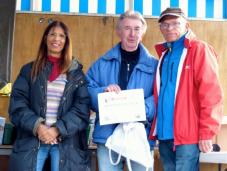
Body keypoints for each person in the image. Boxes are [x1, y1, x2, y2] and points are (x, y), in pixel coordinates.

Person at [8, 20, 90, 171]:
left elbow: (82, 109)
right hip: (33, 140)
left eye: (61, 36)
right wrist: (38, 127)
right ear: (45, 38)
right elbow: (17, 104)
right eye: (52, 34)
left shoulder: (76, 74)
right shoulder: (28, 70)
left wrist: (57, 129)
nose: (56, 39)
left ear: (66, 41)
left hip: (66, 144)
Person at [149, 7, 223, 171]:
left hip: (187, 136)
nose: (170, 28)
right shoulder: (164, 55)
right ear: (160, 28)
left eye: (175, 24)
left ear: (187, 26)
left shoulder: (199, 49)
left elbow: (211, 94)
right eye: (165, 25)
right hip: (165, 134)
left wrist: (207, 132)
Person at [86, 10, 158, 171]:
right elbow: (86, 90)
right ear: (118, 31)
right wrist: (103, 92)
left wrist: (142, 108)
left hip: (141, 135)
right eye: (127, 28)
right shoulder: (101, 63)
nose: (132, 34)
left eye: (137, 29)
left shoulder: (155, 66)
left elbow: (161, 95)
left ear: (143, 32)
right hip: (108, 136)